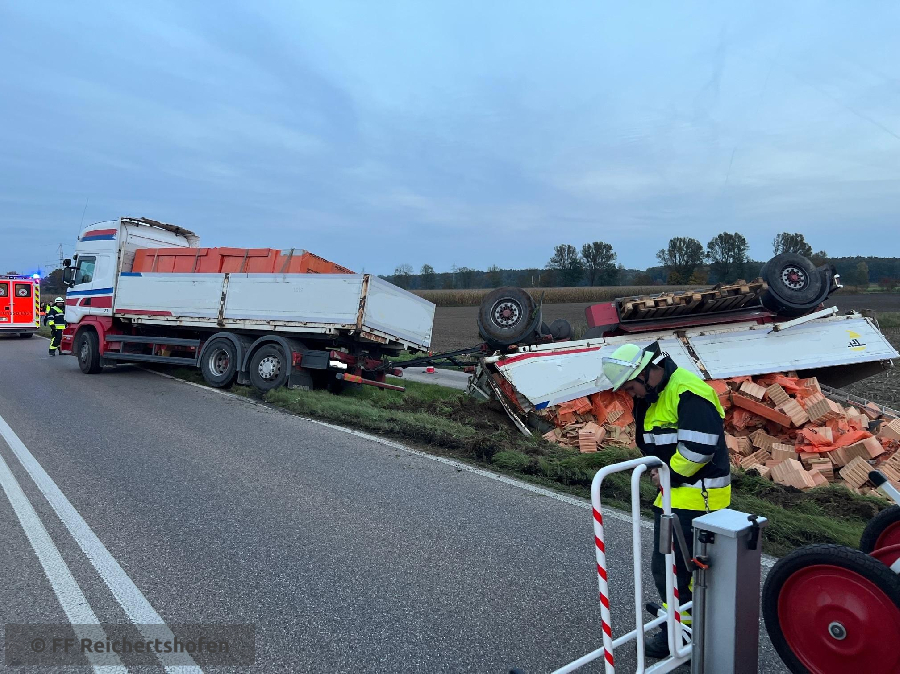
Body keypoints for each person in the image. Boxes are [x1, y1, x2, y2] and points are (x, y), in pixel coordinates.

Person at [601, 341, 730, 659]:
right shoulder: (657, 393)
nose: (631, 394)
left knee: (677, 572)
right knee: (671, 570)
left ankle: (686, 634)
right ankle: (683, 624)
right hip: (674, 497)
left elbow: (700, 448)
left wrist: (669, 473)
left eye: (631, 387)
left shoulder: (687, 390)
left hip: (698, 499)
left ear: (648, 373)